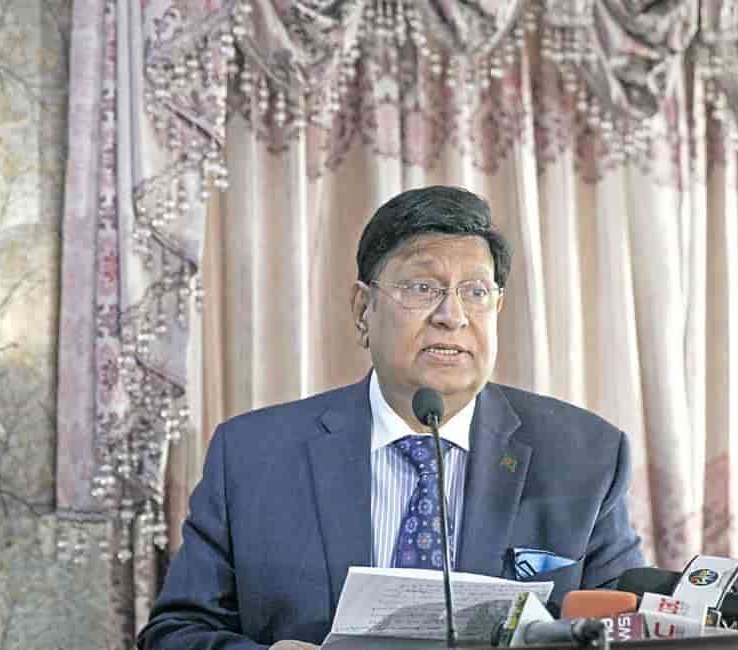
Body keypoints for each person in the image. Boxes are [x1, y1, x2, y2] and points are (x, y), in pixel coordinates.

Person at [137, 185, 644, 649]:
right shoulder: (253, 455)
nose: (452, 316)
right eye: (422, 288)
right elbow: (174, 633)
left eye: (475, 292)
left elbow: (631, 628)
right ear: (363, 308)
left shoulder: (585, 457)